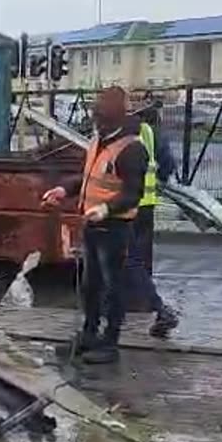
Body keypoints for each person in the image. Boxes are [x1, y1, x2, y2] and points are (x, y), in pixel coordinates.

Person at [42, 86, 148, 364]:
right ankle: (89, 333)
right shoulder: (97, 141)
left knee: (114, 286)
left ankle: (110, 343)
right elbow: (87, 178)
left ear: (114, 120)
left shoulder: (131, 149)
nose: (97, 123)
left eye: (101, 119)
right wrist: (64, 190)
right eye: (96, 118)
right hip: (92, 224)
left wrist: (106, 209)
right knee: (90, 284)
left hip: (115, 228)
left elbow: (132, 193)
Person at [125, 102, 182, 338]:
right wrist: (159, 178)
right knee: (136, 259)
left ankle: (158, 308)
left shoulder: (121, 133)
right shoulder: (151, 134)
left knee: (128, 261)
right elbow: (167, 164)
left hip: (126, 207)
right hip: (147, 204)